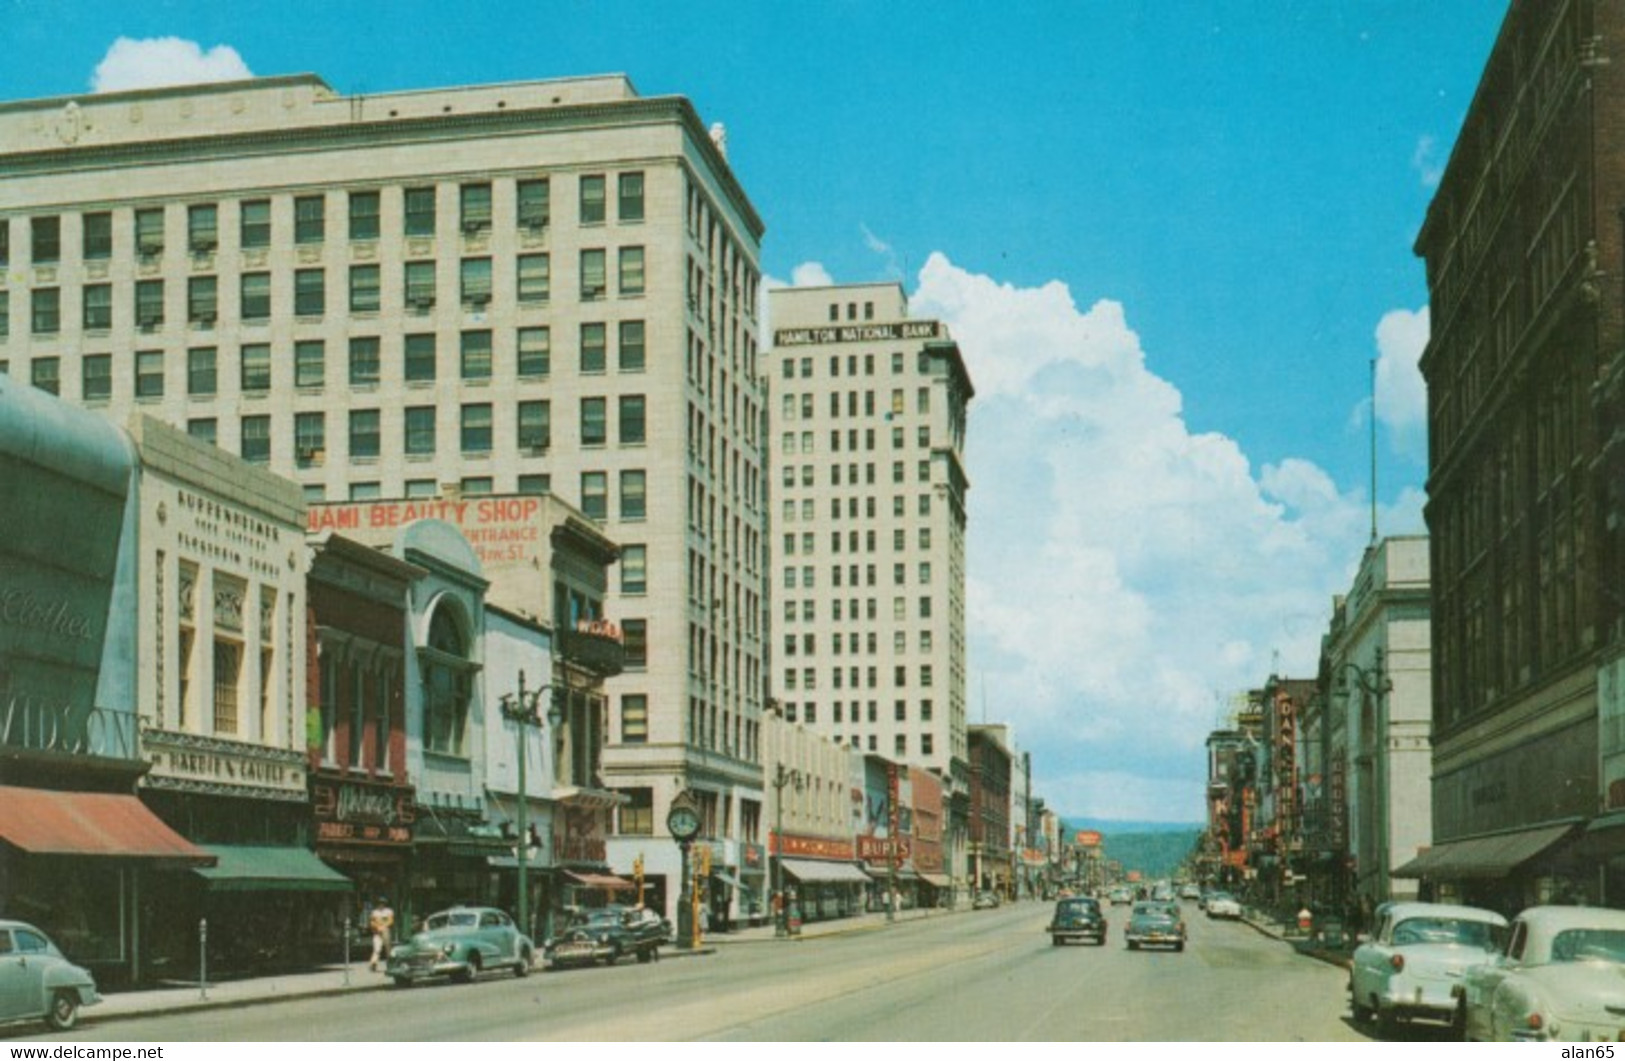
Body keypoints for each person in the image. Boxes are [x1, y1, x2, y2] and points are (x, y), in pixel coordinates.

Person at [368, 896, 395, 972]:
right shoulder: (374, 912)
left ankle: (390, 964)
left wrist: (383, 926)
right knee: (377, 948)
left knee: (388, 949)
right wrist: (376, 927)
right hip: (377, 932)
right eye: (380, 903)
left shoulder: (388, 911)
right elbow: (372, 922)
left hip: (386, 931)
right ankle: (373, 963)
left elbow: (391, 921)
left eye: (382, 903)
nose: (381, 904)